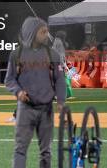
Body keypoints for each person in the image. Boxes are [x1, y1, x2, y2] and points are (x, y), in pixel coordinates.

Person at [5, 17, 66, 168]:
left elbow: (60, 80)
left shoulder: (53, 55)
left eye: (47, 31)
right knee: (20, 149)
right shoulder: (16, 55)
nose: (46, 35)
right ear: (31, 33)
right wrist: (18, 92)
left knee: (46, 151)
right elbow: (10, 79)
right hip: (25, 109)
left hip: (46, 109)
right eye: (43, 32)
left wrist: (61, 102)